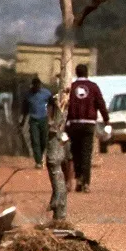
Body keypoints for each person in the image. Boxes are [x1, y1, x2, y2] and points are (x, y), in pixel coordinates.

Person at [65, 64, 109, 192]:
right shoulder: (93, 87)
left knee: (76, 153)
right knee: (86, 154)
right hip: (89, 124)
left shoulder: (72, 87)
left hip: (74, 124)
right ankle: (85, 183)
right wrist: (106, 120)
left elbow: (65, 106)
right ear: (87, 73)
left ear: (76, 73)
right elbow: (101, 103)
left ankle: (79, 178)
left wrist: (64, 124)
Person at [45, 89, 70, 221]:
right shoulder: (58, 109)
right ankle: (58, 206)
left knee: (59, 169)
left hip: (60, 143)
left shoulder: (62, 110)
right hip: (57, 145)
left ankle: (58, 207)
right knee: (57, 171)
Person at [22, 77, 53, 168]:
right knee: (35, 140)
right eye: (35, 85)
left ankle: (41, 155)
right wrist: (23, 120)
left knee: (43, 140)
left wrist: (50, 117)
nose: (37, 87)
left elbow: (52, 104)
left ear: (40, 85)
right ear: (33, 85)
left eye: (38, 85)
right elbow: (25, 109)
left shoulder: (46, 93)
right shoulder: (28, 95)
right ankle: (38, 161)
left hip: (43, 119)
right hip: (33, 120)